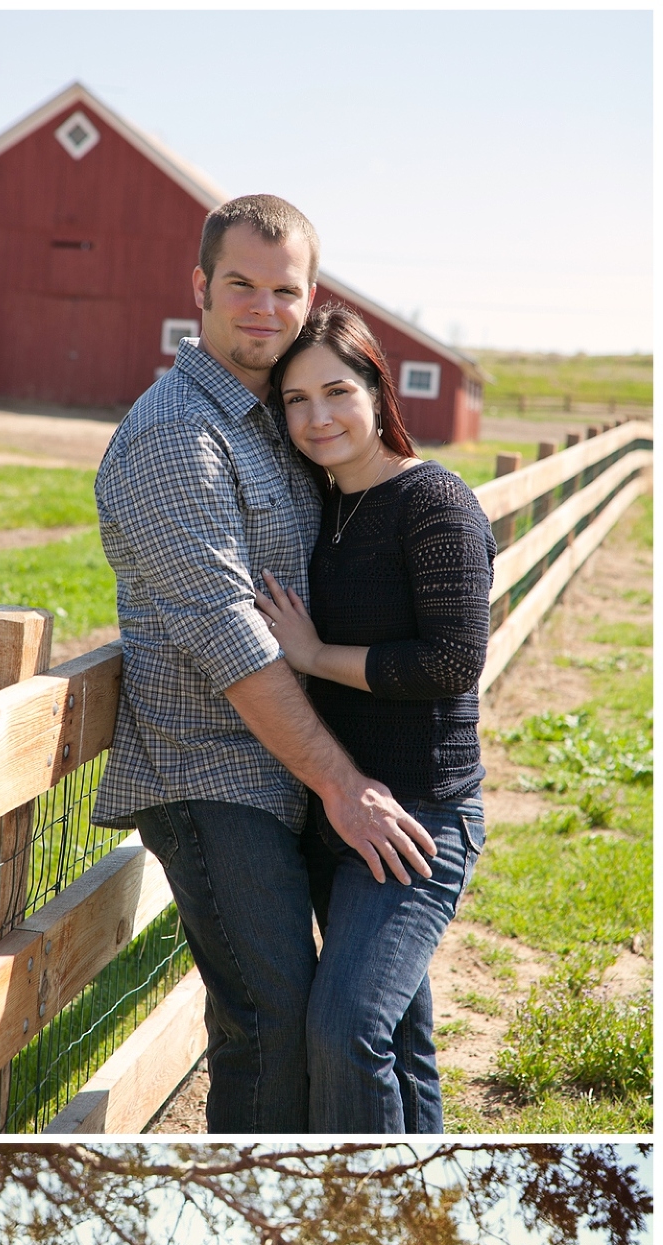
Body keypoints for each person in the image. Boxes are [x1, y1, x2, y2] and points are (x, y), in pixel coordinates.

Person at [92, 194, 436, 1134]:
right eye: (239, 284)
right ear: (199, 288)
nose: (262, 308)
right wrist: (345, 784)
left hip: (301, 761)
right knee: (270, 1022)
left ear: (309, 295)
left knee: (384, 1012)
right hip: (215, 771)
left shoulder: (274, 417)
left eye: (283, 290)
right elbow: (227, 637)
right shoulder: (179, 434)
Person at [254, 303, 495, 1132]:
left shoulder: (434, 502)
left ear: (375, 389)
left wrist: (315, 657)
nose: (316, 417)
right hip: (339, 811)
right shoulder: (324, 509)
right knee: (399, 1036)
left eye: (335, 392)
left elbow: (453, 663)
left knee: (346, 1027)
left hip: (421, 815)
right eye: (294, 401)